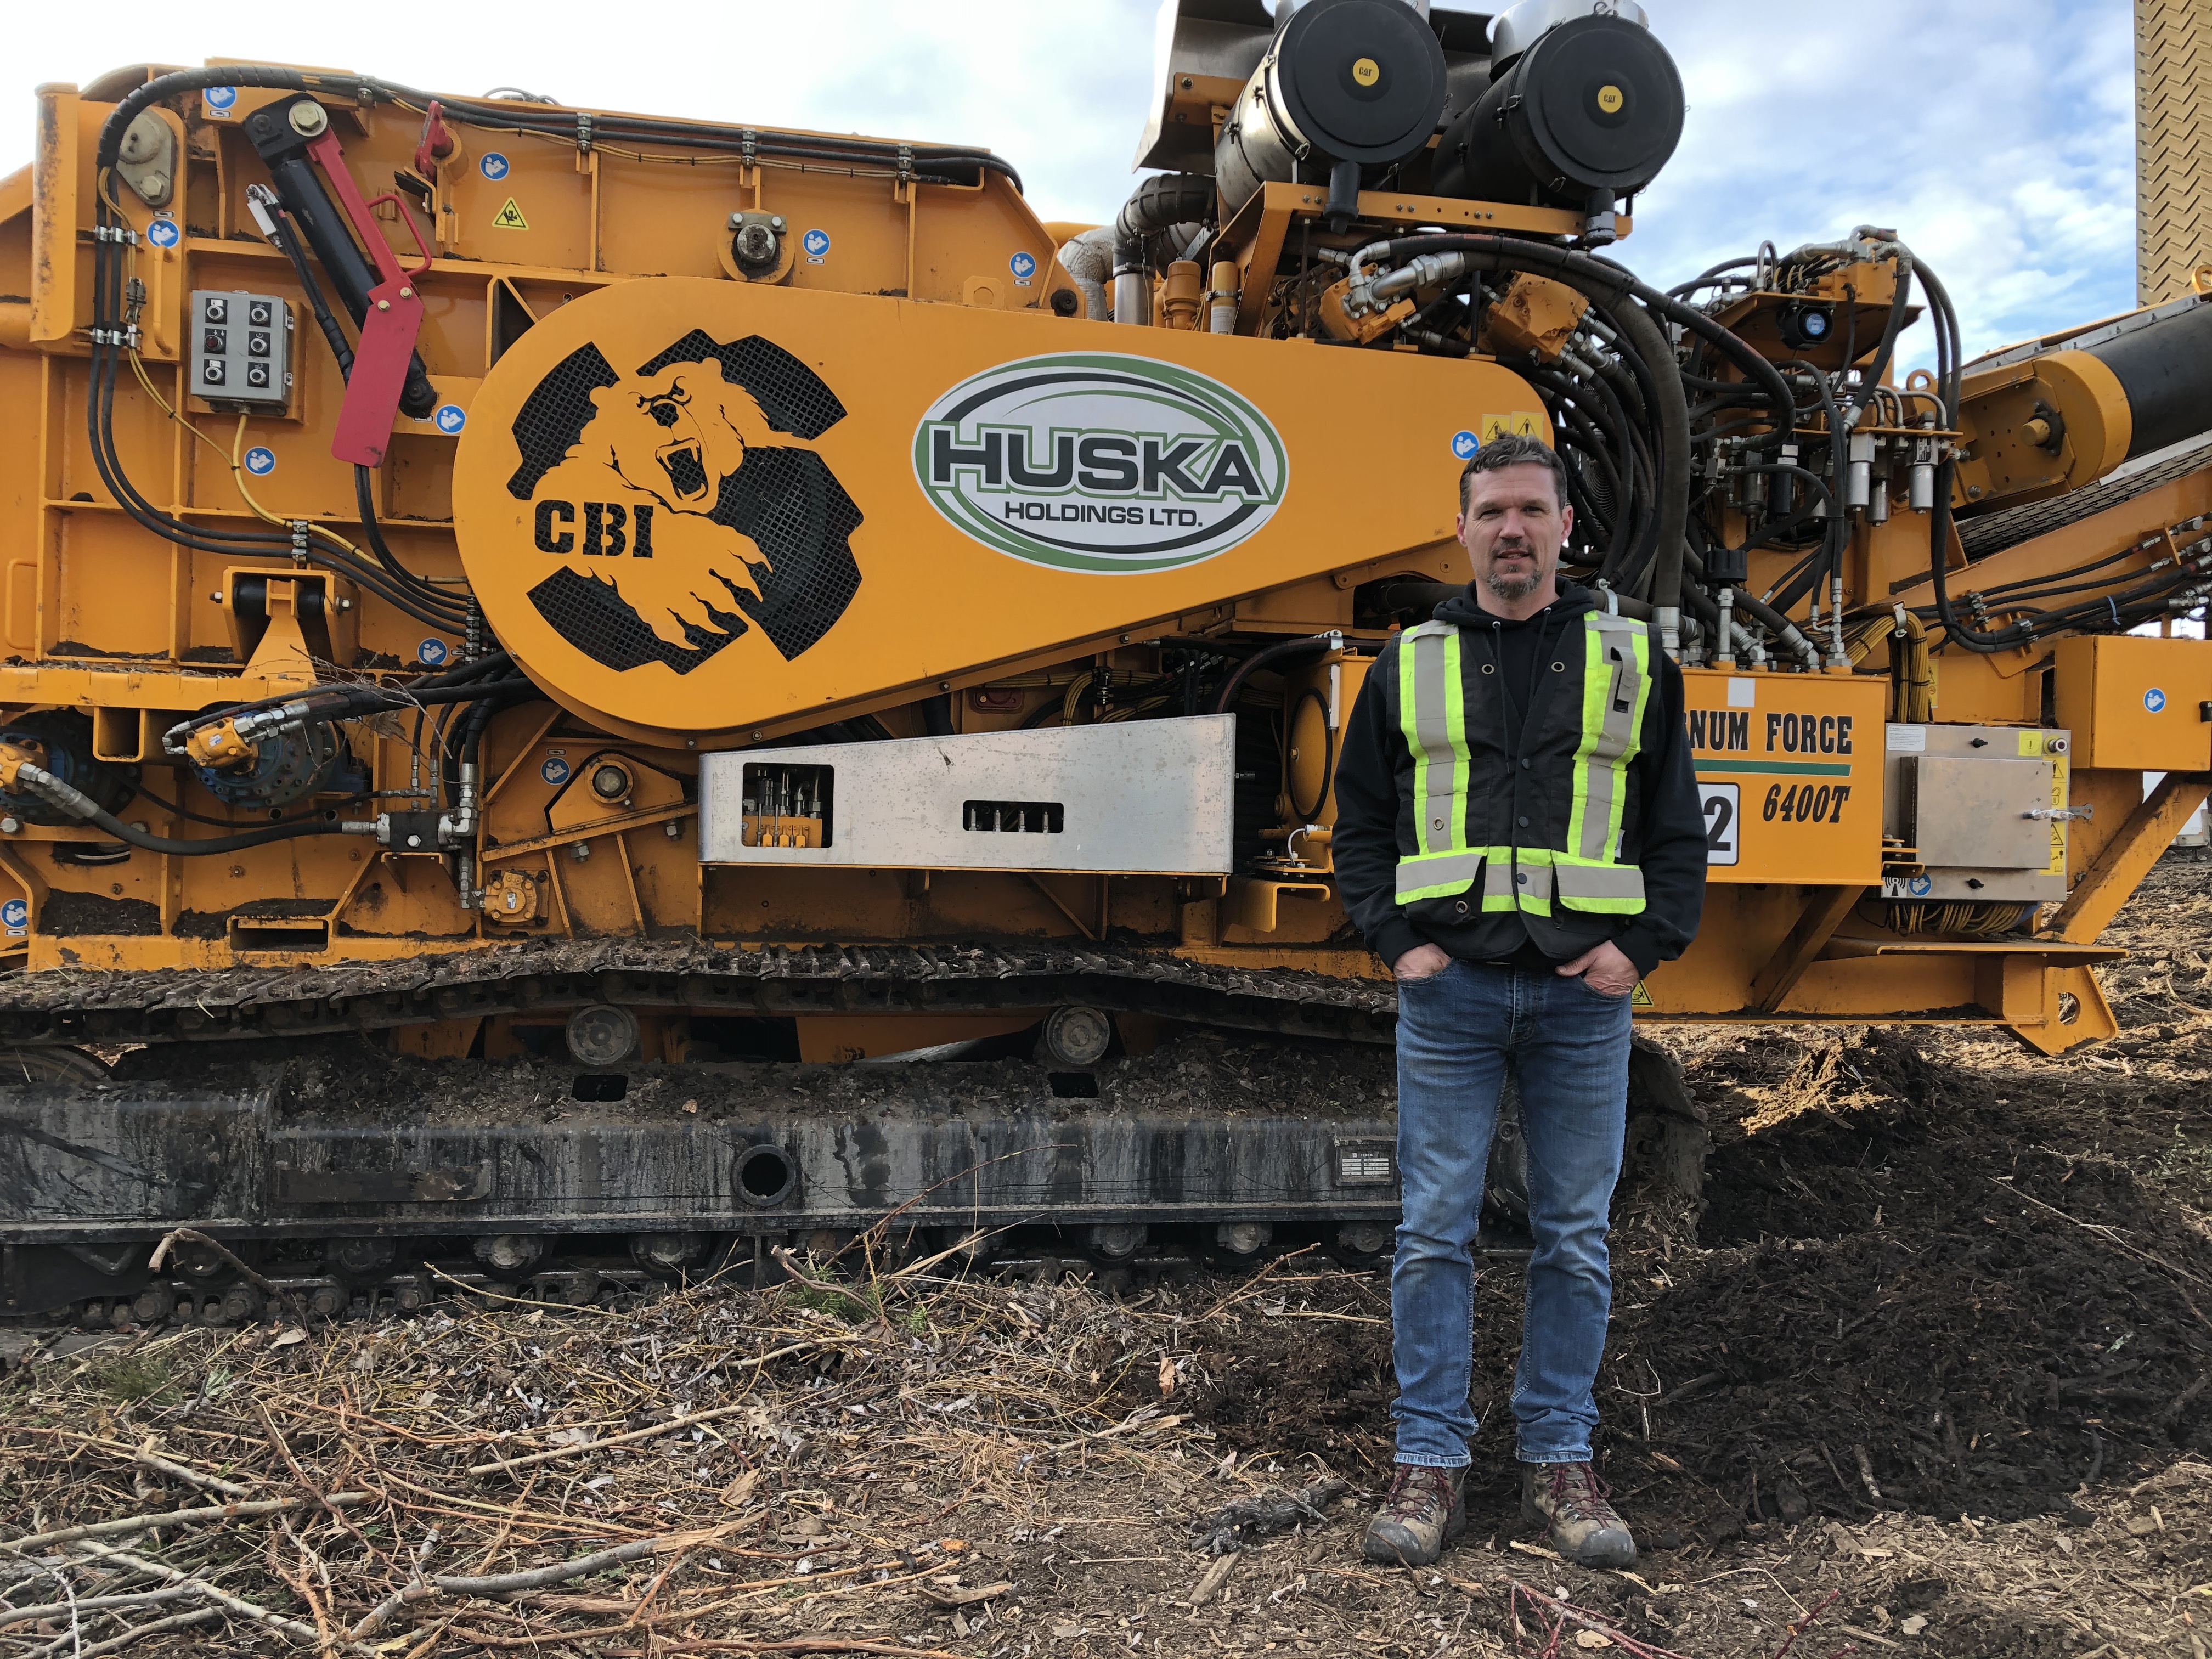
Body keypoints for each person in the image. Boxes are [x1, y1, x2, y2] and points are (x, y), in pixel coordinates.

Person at [1330, 431, 1707, 1569]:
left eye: (1531, 510)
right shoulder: (1411, 662)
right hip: (1449, 998)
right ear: (1462, 529)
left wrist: (1641, 951)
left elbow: (1676, 830)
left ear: (1564, 529)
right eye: (1491, 510)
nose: (1511, 530)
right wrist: (1397, 945)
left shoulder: (1632, 661)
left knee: (1575, 1242)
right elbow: (1357, 827)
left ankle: (1560, 1463)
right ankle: (1429, 1463)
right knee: (1432, 1235)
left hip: (1582, 1003)